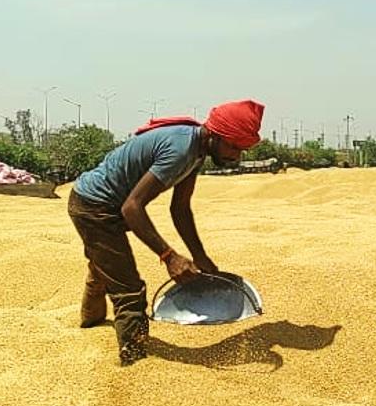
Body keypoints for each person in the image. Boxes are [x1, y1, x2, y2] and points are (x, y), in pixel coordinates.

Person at [68, 99, 265, 365]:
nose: (236, 156)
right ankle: (136, 362)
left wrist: (200, 256)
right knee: (129, 290)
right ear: (215, 134)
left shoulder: (196, 151)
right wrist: (169, 256)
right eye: (233, 146)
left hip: (106, 203)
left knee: (106, 265)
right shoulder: (182, 148)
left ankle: (89, 325)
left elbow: (180, 208)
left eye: (242, 149)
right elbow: (132, 208)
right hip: (94, 206)